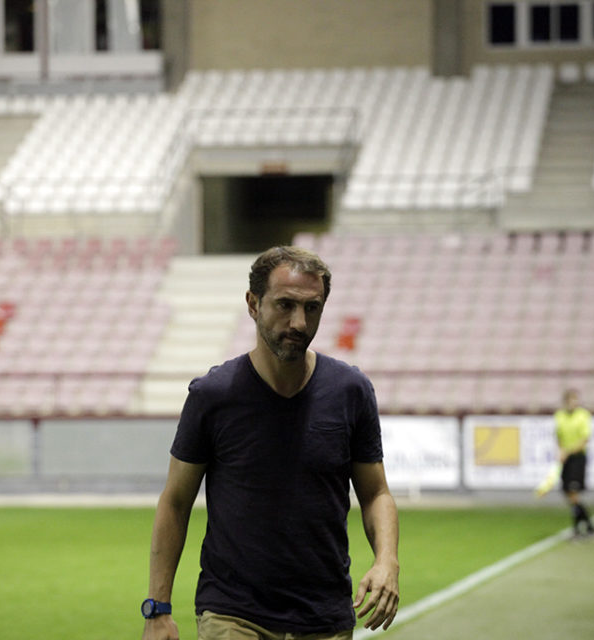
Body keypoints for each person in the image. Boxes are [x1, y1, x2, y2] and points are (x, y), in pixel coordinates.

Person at [142, 246, 400, 640]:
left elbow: (376, 493)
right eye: (285, 305)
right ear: (253, 304)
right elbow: (175, 502)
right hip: (233, 613)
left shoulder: (351, 391)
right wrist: (158, 608)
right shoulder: (214, 395)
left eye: (312, 308)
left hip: (326, 615)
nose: (298, 322)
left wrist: (387, 561)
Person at [553, 388, 594, 539]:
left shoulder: (583, 416)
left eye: (575, 400)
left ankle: (578, 529)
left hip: (577, 458)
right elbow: (558, 436)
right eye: (570, 400)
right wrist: (560, 451)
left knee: (574, 494)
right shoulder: (559, 416)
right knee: (568, 493)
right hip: (566, 458)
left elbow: (584, 440)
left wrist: (568, 451)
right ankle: (590, 527)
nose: (573, 403)